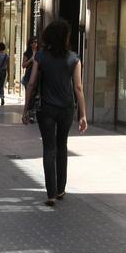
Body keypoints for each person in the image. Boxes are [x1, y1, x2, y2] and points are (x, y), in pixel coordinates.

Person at [23, 20, 88, 207]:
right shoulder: (74, 59)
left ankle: (50, 193)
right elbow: (78, 87)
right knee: (62, 145)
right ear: (65, 37)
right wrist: (82, 114)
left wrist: (26, 108)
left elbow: (32, 83)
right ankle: (61, 189)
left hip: (47, 109)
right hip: (66, 109)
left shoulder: (41, 56)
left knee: (49, 149)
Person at [21, 37, 40, 123]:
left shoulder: (40, 53)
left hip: (38, 77)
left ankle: (32, 113)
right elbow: (23, 65)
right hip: (28, 76)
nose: (35, 44)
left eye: (36, 42)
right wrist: (31, 60)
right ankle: (29, 113)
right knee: (30, 95)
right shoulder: (27, 53)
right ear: (30, 44)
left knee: (35, 95)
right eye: (33, 42)